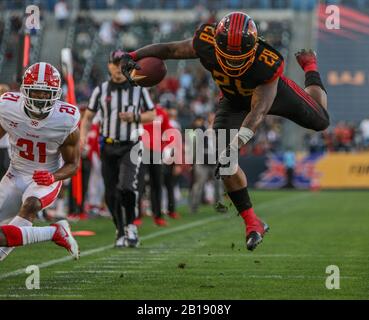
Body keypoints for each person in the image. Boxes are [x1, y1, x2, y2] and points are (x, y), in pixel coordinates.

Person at [120, 11, 329, 251]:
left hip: (271, 95)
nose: (233, 61)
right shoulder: (205, 41)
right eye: (227, 55)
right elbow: (169, 50)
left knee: (321, 120)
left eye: (239, 56)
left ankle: (311, 66)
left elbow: (259, 111)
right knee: (225, 161)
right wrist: (133, 55)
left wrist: (237, 142)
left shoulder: (267, 62)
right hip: (233, 101)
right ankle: (253, 223)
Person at [0, 62, 80, 261]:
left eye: (46, 93)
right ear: (25, 90)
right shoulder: (8, 107)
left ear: (56, 93)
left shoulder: (65, 120)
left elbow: (73, 165)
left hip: (45, 179)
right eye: (36, 92)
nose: (41, 97)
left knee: (31, 205)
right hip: (15, 173)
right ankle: (54, 232)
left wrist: (53, 176)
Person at [80, 49, 155, 248]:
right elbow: (87, 117)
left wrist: (135, 117)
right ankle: (120, 230)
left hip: (130, 145)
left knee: (127, 187)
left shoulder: (139, 88)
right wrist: (82, 138)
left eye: (122, 63)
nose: (118, 68)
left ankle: (131, 226)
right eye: (115, 63)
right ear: (109, 66)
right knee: (111, 192)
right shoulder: (101, 90)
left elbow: (152, 114)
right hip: (108, 146)